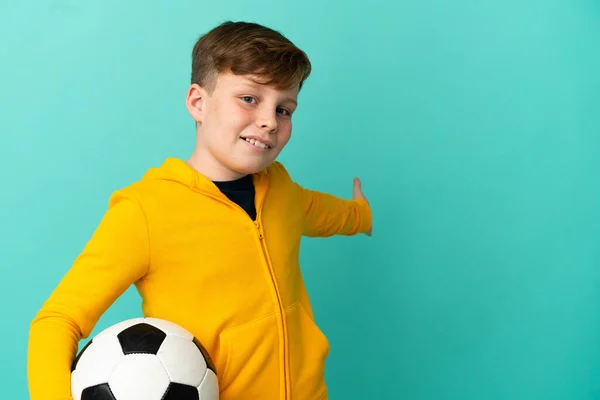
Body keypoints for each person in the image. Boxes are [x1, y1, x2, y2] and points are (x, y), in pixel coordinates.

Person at [27, 20, 372, 400]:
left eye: (284, 109)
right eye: (249, 98)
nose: (269, 121)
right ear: (198, 102)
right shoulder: (146, 211)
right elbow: (58, 320)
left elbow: (320, 212)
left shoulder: (281, 189)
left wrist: (361, 216)